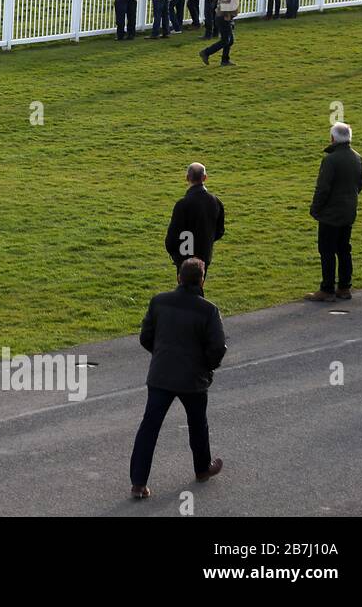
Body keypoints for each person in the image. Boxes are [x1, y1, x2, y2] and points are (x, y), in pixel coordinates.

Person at [129, 258, 226, 499]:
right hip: (193, 380)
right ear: (202, 280)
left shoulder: (159, 302)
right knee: (197, 424)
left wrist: (161, 354)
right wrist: (207, 367)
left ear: (178, 278)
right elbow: (217, 348)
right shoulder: (208, 310)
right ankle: (202, 469)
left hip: (161, 374)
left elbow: (145, 337)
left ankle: (138, 483)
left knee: (149, 428)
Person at [305, 122, 362, 302]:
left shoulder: (330, 160)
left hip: (331, 214)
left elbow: (323, 188)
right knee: (344, 249)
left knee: (327, 250)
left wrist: (315, 209)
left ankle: (327, 289)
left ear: (333, 138)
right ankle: (345, 287)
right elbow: (359, 185)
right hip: (348, 211)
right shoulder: (357, 158)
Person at [164, 163, 225, 272]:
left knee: (184, 287)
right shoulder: (215, 202)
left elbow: (173, 236)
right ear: (205, 178)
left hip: (184, 256)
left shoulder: (182, 204)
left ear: (187, 178)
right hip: (204, 255)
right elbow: (219, 231)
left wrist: (174, 252)